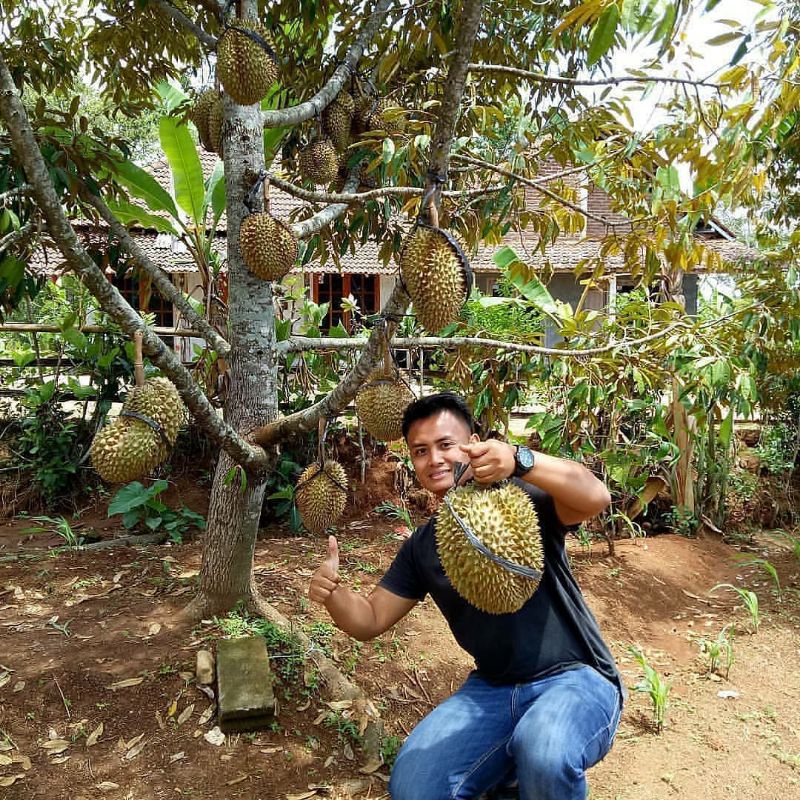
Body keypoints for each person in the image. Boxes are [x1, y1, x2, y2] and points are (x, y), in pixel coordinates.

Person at [308, 392, 622, 800]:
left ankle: (522, 768)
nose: (434, 459)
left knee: (544, 750)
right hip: (493, 691)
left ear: (472, 441)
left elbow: (596, 497)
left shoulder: (521, 498)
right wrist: (333, 593)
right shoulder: (424, 547)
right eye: (420, 451)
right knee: (415, 787)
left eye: (445, 445)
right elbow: (368, 618)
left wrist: (520, 458)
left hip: (576, 679)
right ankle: (508, 780)